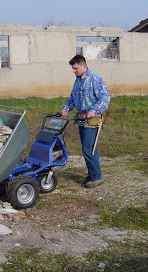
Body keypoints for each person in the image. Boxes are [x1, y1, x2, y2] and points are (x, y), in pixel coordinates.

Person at [61, 55, 110, 188]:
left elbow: (105, 97)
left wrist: (94, 110)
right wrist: (66, 108)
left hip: (92, 119)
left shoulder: (94, 79)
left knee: (89, 149)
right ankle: (91, 174)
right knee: (87, 149)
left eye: (75, 68)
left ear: (83, 66)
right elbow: (72, 97)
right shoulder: (78, 81)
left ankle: (97, 177)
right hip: (81, 119)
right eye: (72, 68)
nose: (73, 71)